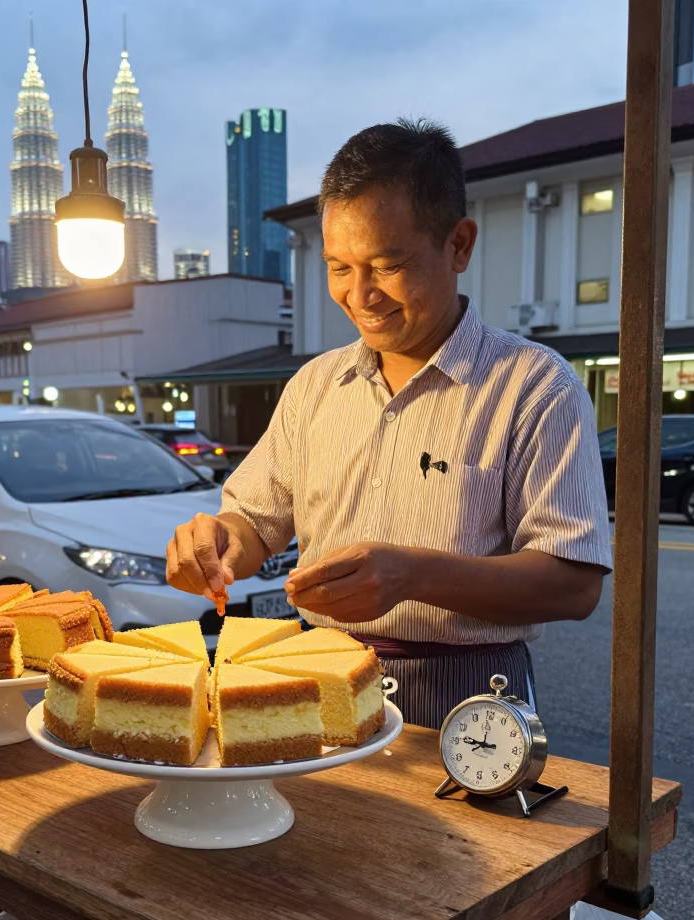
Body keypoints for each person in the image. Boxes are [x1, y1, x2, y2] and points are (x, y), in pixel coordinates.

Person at [166, 117, 612, 729]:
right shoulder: (315, 387)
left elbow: (573, 583)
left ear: (459, 244)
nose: (360, 294)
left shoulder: (534, 386)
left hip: (469, 698)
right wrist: (216, 546)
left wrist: (411, 575)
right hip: (320, 679)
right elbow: (256, 524)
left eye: (387, 263)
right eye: (339, 267)